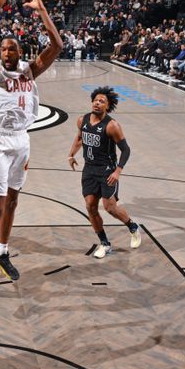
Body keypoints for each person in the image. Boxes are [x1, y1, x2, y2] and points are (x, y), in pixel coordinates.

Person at [0, 0, 62, 296]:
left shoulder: (30, 71)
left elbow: (57, 46)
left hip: (22, 140)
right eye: (3, 48)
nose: (7, 51)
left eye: (12, 48)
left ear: (20, 52)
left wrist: (42, 9)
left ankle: (3, 252)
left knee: (13, 202)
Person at [67, 87, 141, 258]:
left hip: (107, 170)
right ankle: (105, 243)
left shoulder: (112, 125)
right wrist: (71, 154)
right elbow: (80, 137)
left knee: (110, 208)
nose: (97, 103)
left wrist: (118, 172)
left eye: (102, 101)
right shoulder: (82, 120)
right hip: (89, 169)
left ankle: (133, 227)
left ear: (108, 106)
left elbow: (126, 150)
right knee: (90, 207)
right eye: (96, 100)